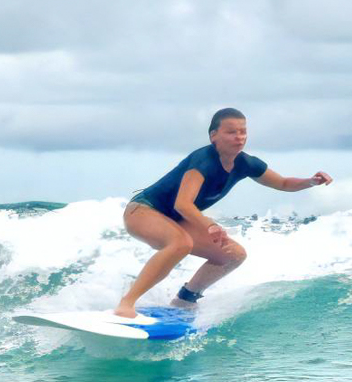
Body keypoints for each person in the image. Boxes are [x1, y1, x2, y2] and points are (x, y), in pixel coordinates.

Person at [114, 108, 332, 318]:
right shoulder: (204, 161)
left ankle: (184, 300)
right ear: (213, 136)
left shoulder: (245, 163)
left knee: (232, 255)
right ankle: (127, 303)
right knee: (181, 243)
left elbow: (283, 183)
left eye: (243, 131)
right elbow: (183, 204)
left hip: (176, 219)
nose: (239, 137)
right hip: (143, 211)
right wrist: (210, 225)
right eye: (231, 132)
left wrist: (310, 182)